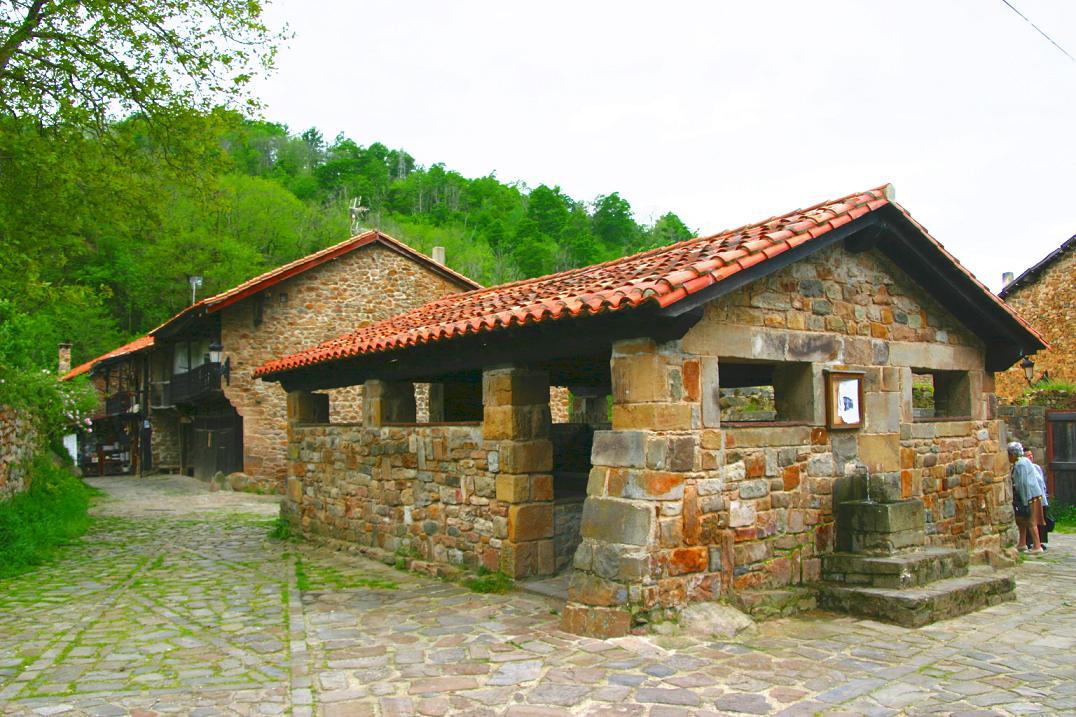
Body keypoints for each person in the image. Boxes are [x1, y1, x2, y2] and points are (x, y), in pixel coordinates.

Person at [1008, 441, 1044, 553]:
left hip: (1029, 496)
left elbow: (1023, 484)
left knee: (1030, 521)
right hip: (1030, 495)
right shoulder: (1021, 462)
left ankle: (1037, 546)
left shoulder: (1021, 464)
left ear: (1013, 454)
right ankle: (1022, 543)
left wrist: (1024, 501)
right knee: (1022, 521)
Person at [1025, 449, 1051, 550]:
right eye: (1028, 456)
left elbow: (1042, 483)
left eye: (1031, 455)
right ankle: (1031, 541)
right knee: (1032, 520)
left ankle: (1040, 541)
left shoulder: (1036, 467)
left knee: (1041, 519)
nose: (1030, 457)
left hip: (1041, 497)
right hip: (1032, 498)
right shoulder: (1025, 468)